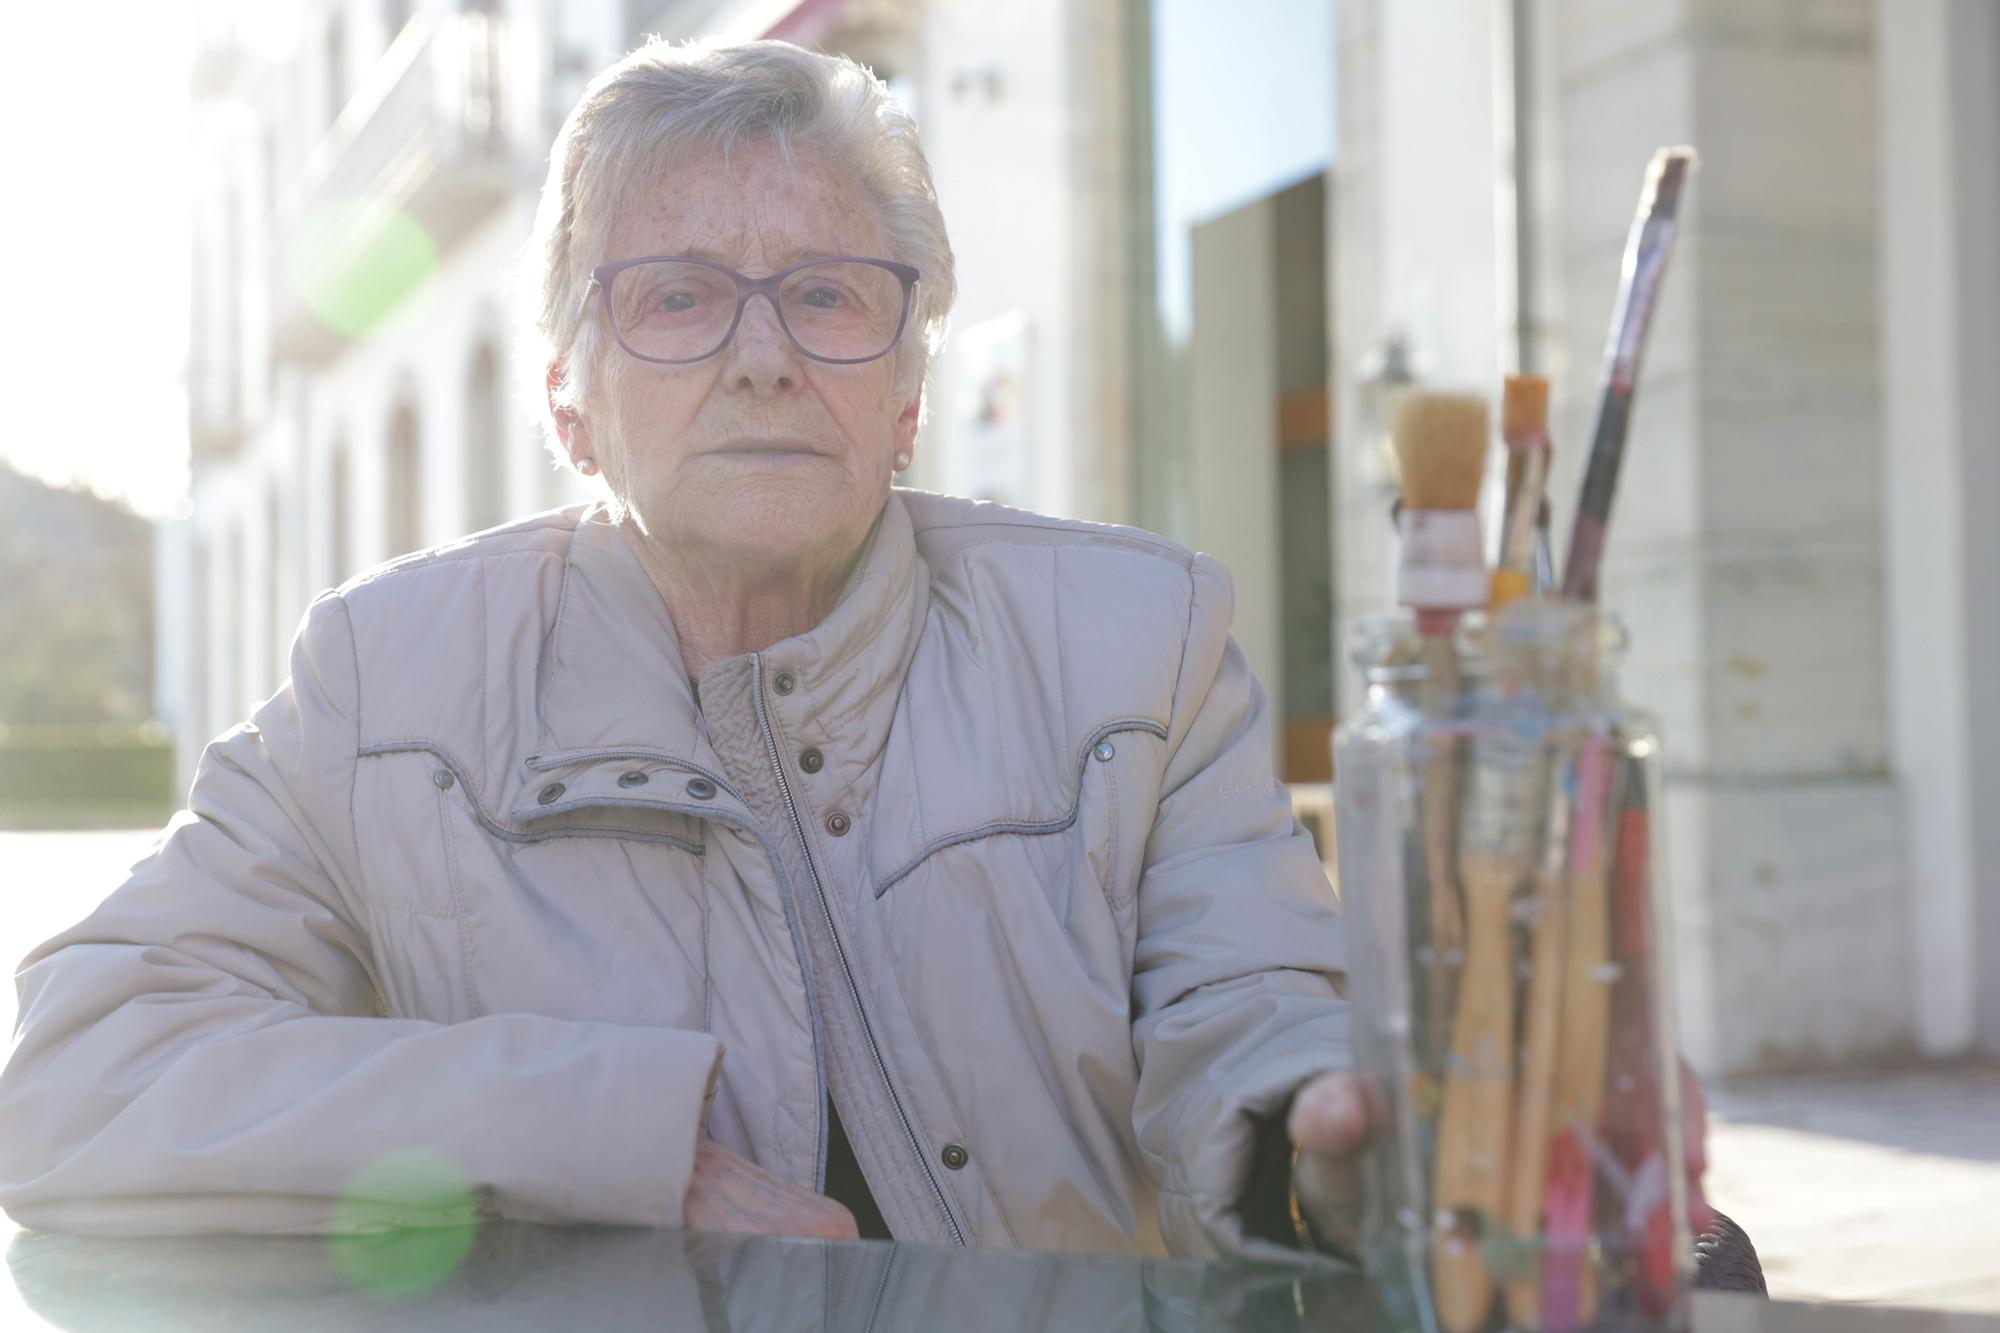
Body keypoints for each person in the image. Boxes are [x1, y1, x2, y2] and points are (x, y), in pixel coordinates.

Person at [0, 37, 1710, 1261]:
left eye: (829, 293)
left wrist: (1328, 1137)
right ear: (567, 402)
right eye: (674, 296)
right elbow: (75, 1075)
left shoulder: (1141, 637)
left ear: (906, 392)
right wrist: (606, 1138)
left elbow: (1251, 997)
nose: (762, 358)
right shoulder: (387, 681)